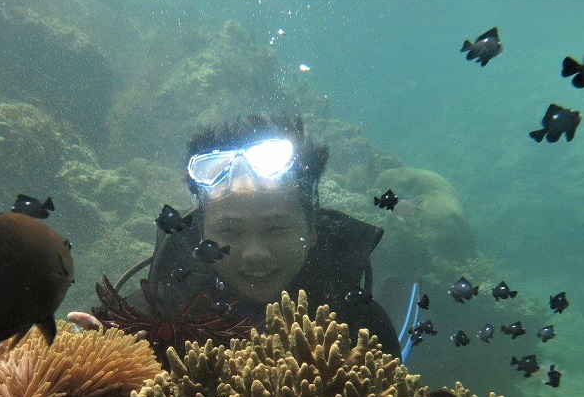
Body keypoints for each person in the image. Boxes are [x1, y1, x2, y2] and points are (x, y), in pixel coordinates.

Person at [103, 115, 400, 359]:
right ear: (202, 234)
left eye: (276, 228)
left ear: (311, 229)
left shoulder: (363, 328)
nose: (254, 253)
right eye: (229, 231)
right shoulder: (143, 316)